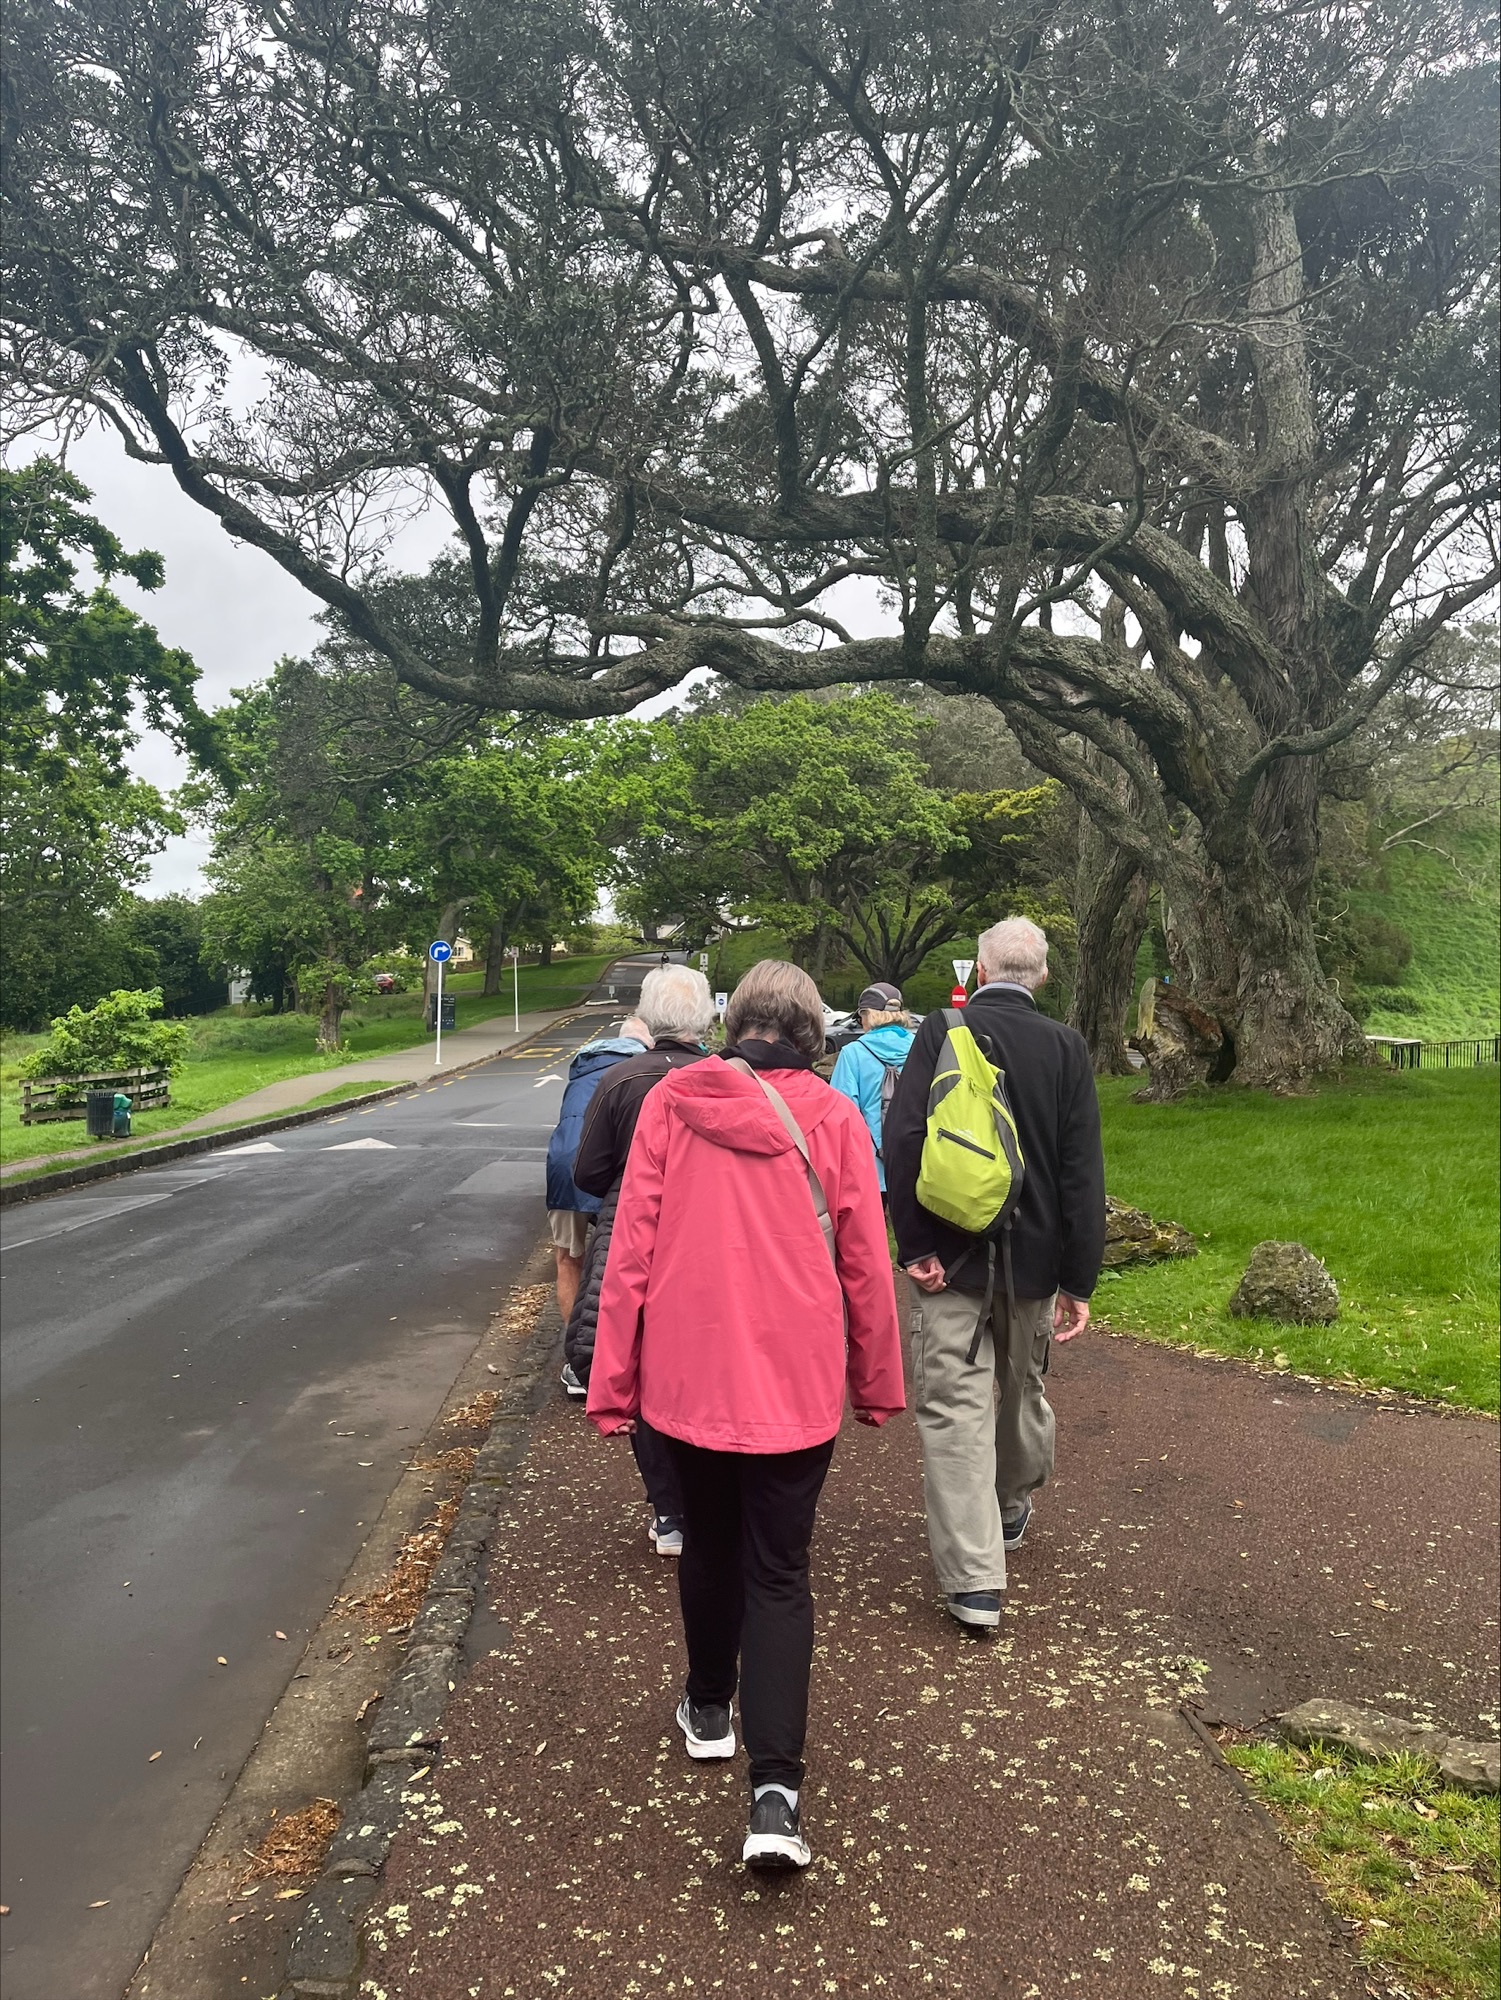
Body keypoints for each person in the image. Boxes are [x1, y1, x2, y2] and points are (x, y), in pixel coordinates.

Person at [588, 960, 903, 1871]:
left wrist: (612, 1383)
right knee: (779, 1571)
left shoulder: (670, 1106)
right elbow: (863, 1262)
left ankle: (708, 1708)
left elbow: (630, 1255)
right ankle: (775, 1795)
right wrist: (876, 1382)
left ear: (737, 1026)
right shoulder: (835, 1117)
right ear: (811, 1032)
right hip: (796, 1384)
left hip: (685, 1379)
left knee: (709, 1543)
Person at [883, 916, 1105, 1633]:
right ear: (1039, 975)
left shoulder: (941, 1032)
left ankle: (974, 1584)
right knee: (1020, 1387)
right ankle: (1010, 1503)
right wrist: (1079, 1279)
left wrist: (915, 1244)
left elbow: (905, 1138)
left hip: (948, 1262)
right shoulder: (1066, 1048)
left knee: (952, 1407)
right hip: (1036, 1264)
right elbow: (1080, 1172)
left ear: (978, 972)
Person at [565, 964, 716, 1556]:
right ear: (705, 1019)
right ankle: (709, 1489)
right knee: (702, 1356)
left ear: (648, 1019)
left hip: (631, 1232)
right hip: (707, 1235)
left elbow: (588, 1171)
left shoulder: (623, 1080)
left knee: (642, 1360)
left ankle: (669, 1509)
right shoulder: (726, 1077)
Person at [544, 1016, 652, 1326]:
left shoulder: (582, 1067)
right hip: (614, 1169)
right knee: (624, 1261)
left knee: (567, 1258)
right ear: (648, 1044)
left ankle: (573, 1353)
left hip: (565, 1166)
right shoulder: (644, 1069)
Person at [828, 980, 917, 1192]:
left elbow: (841, 1114)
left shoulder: (852, 1054)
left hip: (867, 1168)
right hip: (914, 1161)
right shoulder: (921, 1048)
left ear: (869, 1014)